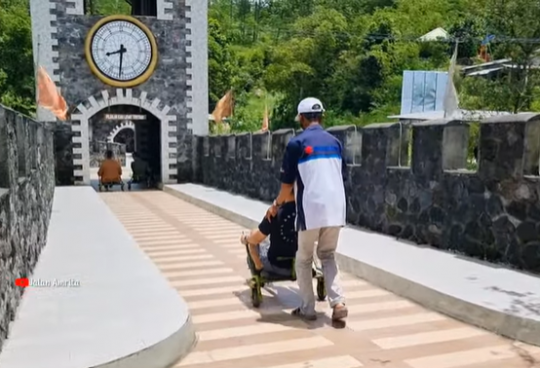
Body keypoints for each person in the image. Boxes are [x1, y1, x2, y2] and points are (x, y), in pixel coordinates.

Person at [266, 97, 348, 322]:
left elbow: (285, 188)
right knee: (328, 255)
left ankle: (307, 308)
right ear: (321, 116)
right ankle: (338, 302)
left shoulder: (297, 144)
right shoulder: (335, 142)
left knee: (303, 258)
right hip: (337, 208)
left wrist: (275, 207)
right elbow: (341, 177)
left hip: (310, 210)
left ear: (301, 118)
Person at [241, 189, 297, 277]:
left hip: (277, 266)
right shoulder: (305, 212)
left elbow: (256, 239)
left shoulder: (274, 213)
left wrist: (246, 238)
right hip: (300, 266)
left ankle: (259, 269)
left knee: (253, 239)